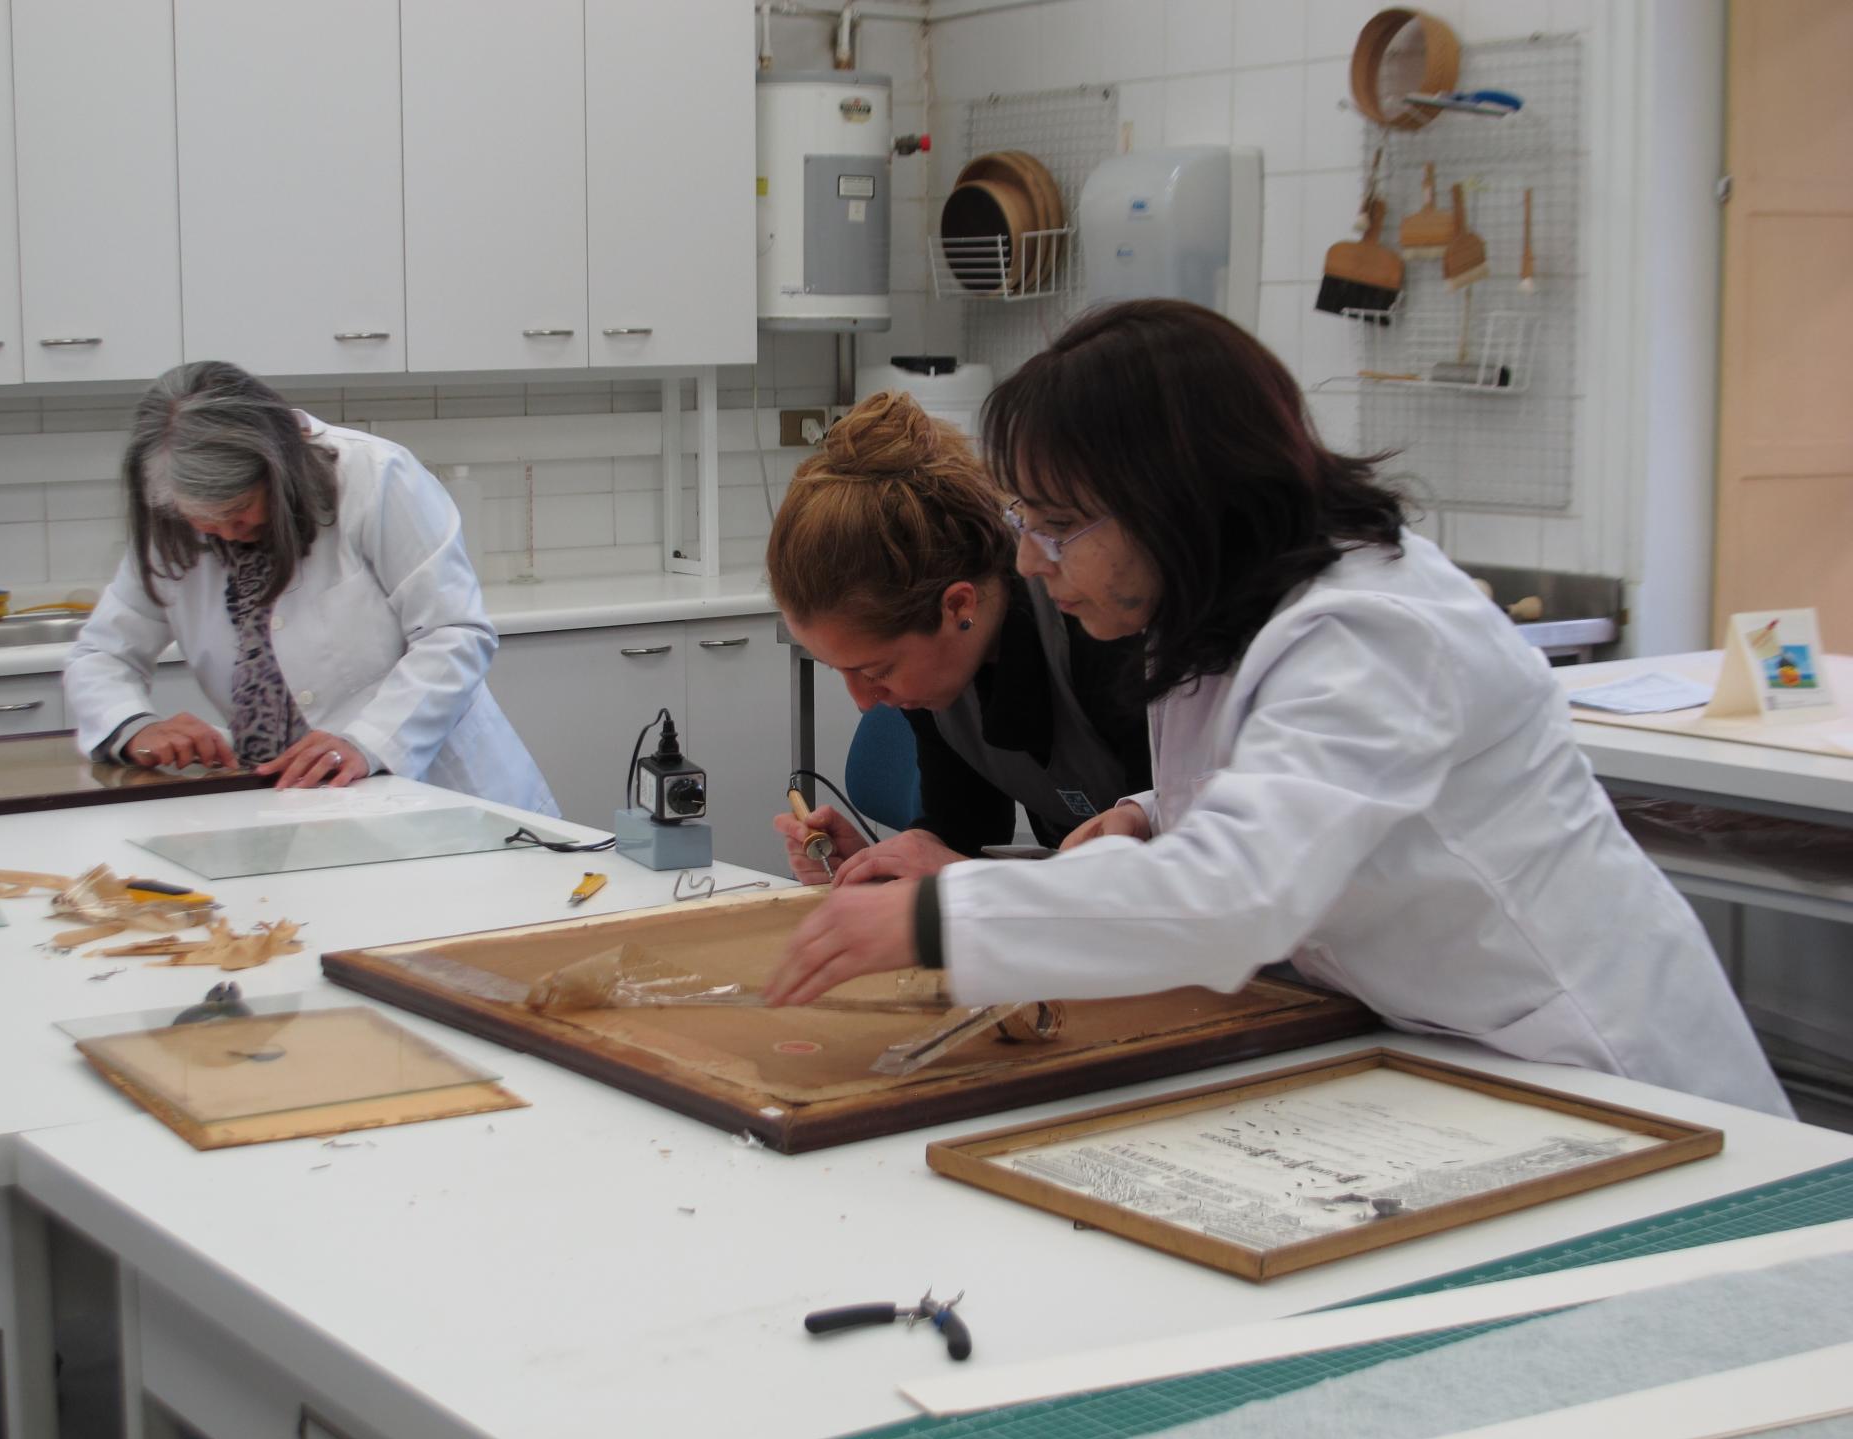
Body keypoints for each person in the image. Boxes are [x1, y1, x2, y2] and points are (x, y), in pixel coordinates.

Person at [765, 299, 1790, 1117]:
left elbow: (1238, 897)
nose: (1030, 562)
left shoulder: (1372, 630)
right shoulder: (1215, 623)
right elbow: (1285, 802)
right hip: (1449, 1048)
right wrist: (1148, 813)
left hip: (1600, 1064)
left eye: (1060, 527)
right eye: (1026, 523)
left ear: (1181, 499)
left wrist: (940, 916)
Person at [64, 361, 556, 813]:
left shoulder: (375, 476)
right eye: (204, 522)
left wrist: (368, 740)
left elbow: (455, 633)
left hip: (438, 793)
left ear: (280, 472)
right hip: (285, 796)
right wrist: (133, 726)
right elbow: (103, 654)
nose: (224, 533)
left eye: (238, 513)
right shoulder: (175, 522)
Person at [766, 388, 1150, 886]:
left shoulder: (1100, 629)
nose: (864, 702)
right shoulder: (944, 673)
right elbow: (961, 832)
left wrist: (968, 879)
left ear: (957, 607)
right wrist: (882, 866)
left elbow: (1179, 882)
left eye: (876, 670)